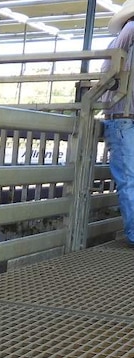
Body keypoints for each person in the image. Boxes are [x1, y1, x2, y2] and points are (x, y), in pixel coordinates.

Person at [104, 0, 134, 247]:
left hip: (126, 118)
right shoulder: (128, 32)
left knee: (129, 177)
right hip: (122, 118)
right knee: (129, 177)